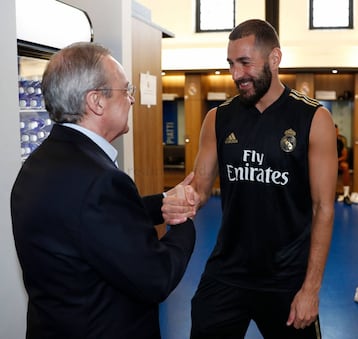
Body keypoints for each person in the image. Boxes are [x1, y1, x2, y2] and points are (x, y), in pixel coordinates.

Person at [163, 19, 338, 338]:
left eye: (245, 63)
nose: (236, 74)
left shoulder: (313, 119)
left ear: (275, 58)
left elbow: (323, 208)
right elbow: (200, 188)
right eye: (231, 64)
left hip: (286, 279)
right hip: (227, 272)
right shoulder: (218, 118)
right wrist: (185, 198)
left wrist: (310, 289)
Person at [11, 42, 196, 339]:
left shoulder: (39, 163)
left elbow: (92, 221)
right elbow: (157, 277)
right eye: (126, 90)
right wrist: (183, 220)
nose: (133, 100)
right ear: (96, 101)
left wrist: (163, 201)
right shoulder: (100, 181)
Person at [335, 124, 352, 205]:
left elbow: (344, 156)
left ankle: (346, 194)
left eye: (337, 131)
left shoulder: (341, 141)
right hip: (327, 165)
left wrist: (336, 160)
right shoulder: (325, 141)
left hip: (338, 163)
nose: (336, 132)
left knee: (345, 166)